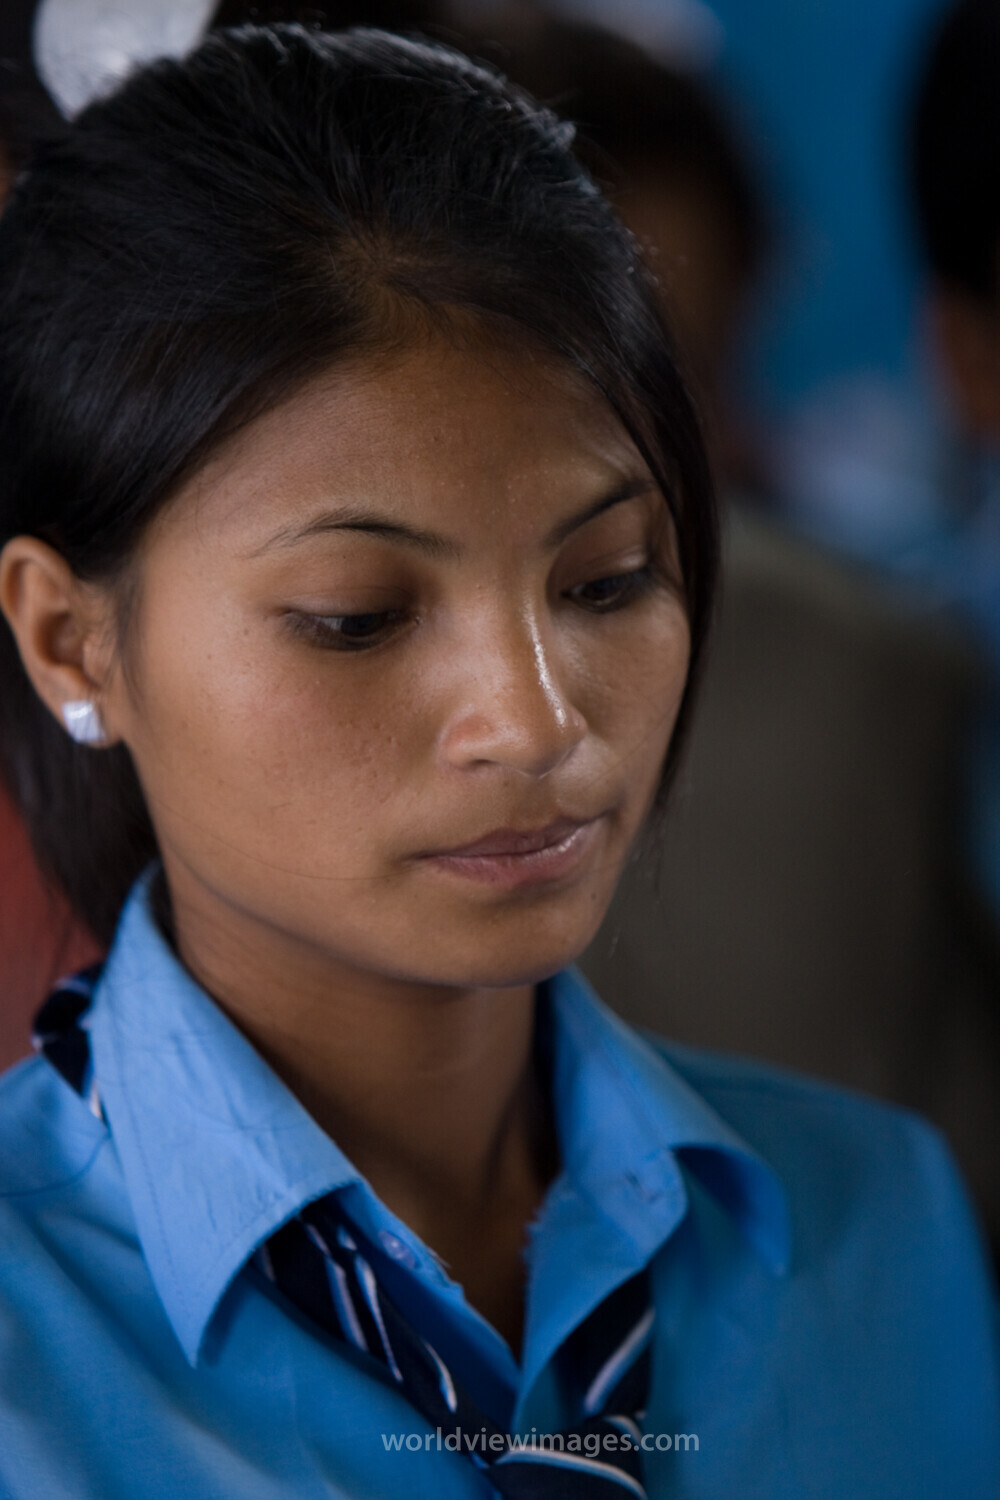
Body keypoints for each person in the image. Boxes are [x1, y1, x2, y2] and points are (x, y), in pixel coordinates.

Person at [0, 23, 996, 1500]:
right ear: (72, 642)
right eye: (359, 616)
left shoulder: (873, 1224)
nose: (536, 723)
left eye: (605, 581)